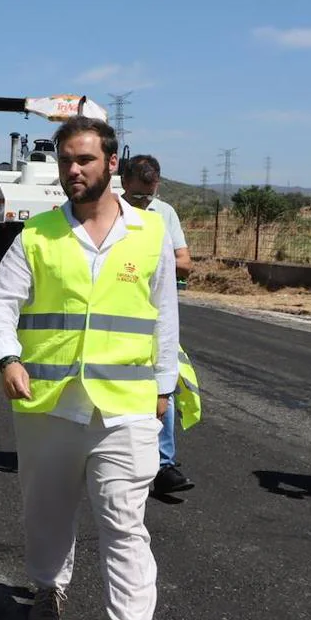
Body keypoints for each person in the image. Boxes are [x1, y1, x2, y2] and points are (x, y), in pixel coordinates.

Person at [0, 116, 178, 620]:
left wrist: (164, 387)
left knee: (124, 518)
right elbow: (0, 304)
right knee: (46, 508)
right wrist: (9, 358)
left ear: (111, 163)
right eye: (66, 159)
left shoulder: (150, 234)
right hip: (50, 403)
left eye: (85, 160)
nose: (73, 170)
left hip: (126, 406)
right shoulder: (38, 234)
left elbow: (166, 317)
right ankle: (48, 587)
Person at [121, 155, 195, 496]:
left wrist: (156, 262)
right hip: (118, 318)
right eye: (137, 197)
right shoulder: (108, 214)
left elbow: (184, 263)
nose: (143, 203)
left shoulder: (164, 214)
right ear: (123, 184)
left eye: (149, 196)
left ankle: (164, 465)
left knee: (162, 385)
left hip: (156, 315)